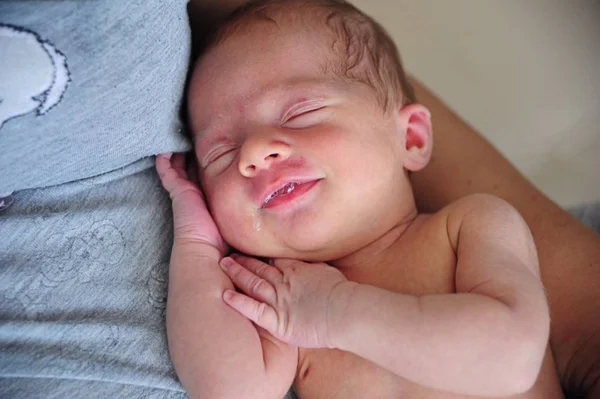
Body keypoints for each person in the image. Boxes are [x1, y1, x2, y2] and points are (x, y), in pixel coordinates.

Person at [1, 1, 598, 398]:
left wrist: (340, 313)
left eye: (301, 112)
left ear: (410, 137)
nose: (255, 153)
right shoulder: (281, 291)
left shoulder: (469, 227)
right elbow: (231, 388)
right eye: (220, 152)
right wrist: (197, 241)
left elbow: (510, 356)